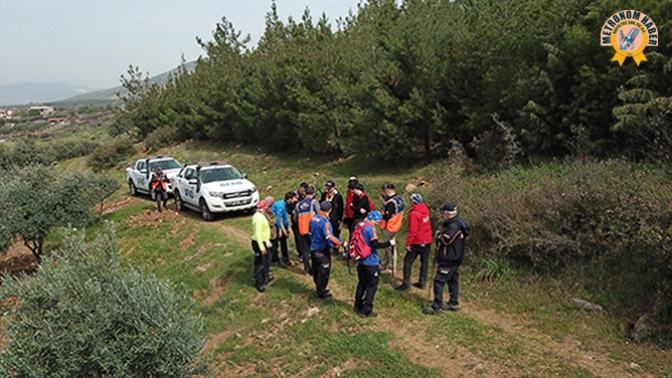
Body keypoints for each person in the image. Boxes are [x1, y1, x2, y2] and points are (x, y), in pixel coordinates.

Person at [423, 202, 470, 315]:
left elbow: (447, 240)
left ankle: (437, 307)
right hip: (456, 257)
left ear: (448, 214)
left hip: (448, 258)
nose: (443, 214)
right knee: (453, 280)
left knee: (439, 282)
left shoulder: (454, 226)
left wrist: (439, 236)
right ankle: (453, 303)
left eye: (444, 212)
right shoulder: (459, 223)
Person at [353, 210, 395, 318]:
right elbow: (375, 244)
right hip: (371, 261)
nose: (376, 225)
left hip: (361, 260)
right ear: (373, 219)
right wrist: (389, 243)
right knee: (372, 286)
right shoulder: (370, 228)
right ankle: (366, 310)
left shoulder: (359, 225)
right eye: (376, 222)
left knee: (362, 283)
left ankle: (357, 305)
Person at [395, 193, 433, 291]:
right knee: (424, 261)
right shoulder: (425, 209)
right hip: (427, 240)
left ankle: (406, 284)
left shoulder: (414, 214)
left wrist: (408, 243)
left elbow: (413, 231)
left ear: (413, 202)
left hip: (417, 241)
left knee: (408, 261)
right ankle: (422, 282)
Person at [309, 201, 345, 299]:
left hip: (313, 248)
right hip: (321, 249)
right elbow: (329, 237)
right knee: (324, 270)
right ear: (330, 210)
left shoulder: (313, 218)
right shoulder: (325, 222)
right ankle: (321, 292)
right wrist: (340, 242)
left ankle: (318, 287)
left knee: (316, 269)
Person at [379, 184, 404, 275]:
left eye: (382, 192)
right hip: (396, 225)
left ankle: (390, 268)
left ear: (386, 191)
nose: (382, 194)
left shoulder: (391, 203)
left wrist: (379, 215)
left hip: (389, 227)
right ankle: (384, 264)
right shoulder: (399, 199)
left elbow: (387, 216)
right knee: (386, 247)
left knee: (389, 248)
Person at [294, 186, 320, 275]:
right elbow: (319, 215)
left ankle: (307, 269)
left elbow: (295, 218)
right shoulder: (314, 202)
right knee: (313, 250)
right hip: (312, 230)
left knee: (305, 251)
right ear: (313, 194)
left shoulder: (298, 205)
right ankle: (314, 269)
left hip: (302, 230)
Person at [252, 200, 274, 293]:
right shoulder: (259, 218)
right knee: (260, 262)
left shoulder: (259, 216)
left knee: (268, 260)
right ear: (264, 208)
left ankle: (266, 277)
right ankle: (258, 282)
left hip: (265, 241)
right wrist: (262, 247)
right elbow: (257, 233)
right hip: (259, 242)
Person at [272, 191, 296, 267]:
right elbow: (278, 219)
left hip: (277, 222)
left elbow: (285, 218)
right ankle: (275, 260)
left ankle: (285, 258)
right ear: (289, 199)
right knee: (275, 242)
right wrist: (279, 230)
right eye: (294, 198)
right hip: (273, 224)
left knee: (283, 240)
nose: (295, 199)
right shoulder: (280, 206)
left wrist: (287, 228)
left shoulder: (286, 205)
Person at [263, 196, 284, 269]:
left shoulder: (269, 212)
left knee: (275, 247)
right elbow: (270, 223)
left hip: (273, 234)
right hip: (269, 235)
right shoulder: (264, 214)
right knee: (271, 249)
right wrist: (274, 218)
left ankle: (275, 260)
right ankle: (272, 262)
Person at [290, 182, 309, 262]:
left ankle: (307, 253)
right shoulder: (293, 195)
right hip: (296, 221)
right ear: (300, 188)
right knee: (299, 239)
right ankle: (301, 254)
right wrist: (292, 211)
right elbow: (288, 205)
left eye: (305, 191)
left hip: (305, 221)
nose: (304, 193)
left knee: (307, 238)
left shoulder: (305, 196)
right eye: (303, 191)